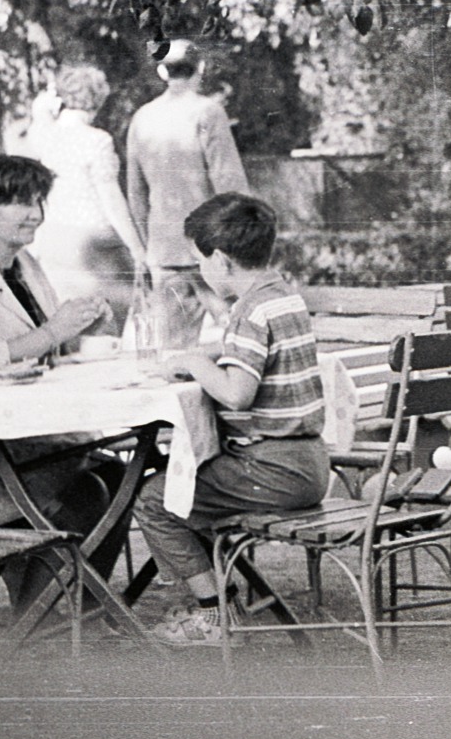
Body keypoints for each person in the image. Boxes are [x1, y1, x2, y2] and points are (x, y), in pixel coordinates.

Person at [0, 152, 131, 603]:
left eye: (39, 200)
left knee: (118, 478)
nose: (36, 213)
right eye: (21, 202)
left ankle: (76, 607)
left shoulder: (26, 267)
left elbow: (47, 348)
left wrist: (84, 330)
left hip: (33, 432)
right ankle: (45, 616)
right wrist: (53, 331)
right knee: (89, 490)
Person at [134, 193, 328, 646]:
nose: (201, 270)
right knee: (186, 486)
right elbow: (253, 357)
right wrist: (206, 355)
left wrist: (196, 364)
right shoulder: (282, 298)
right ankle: (225, 598)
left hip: (273, 468)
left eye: (200, 261)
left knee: (156, 499)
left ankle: (215, 615)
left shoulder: (249, 312)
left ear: (219, 259)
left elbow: (237, 395)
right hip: (310, 464)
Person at [125, 40, 250, 350]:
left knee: (174, 352)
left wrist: (148, 243)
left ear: (162, 71)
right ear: (201, 69)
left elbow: (135, 193)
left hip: (165, 250)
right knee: (242, 340)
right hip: (212, 251)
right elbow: (229, 183)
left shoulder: (142, 117)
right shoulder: (207, 111)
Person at [17, 64, 147, 333]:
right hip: (92, 240)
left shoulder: (42, 135)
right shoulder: (97, 140)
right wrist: (136, 247)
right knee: (104, 326)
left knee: (67, 324)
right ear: (98, 100)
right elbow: (110, 199)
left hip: (51, 239)